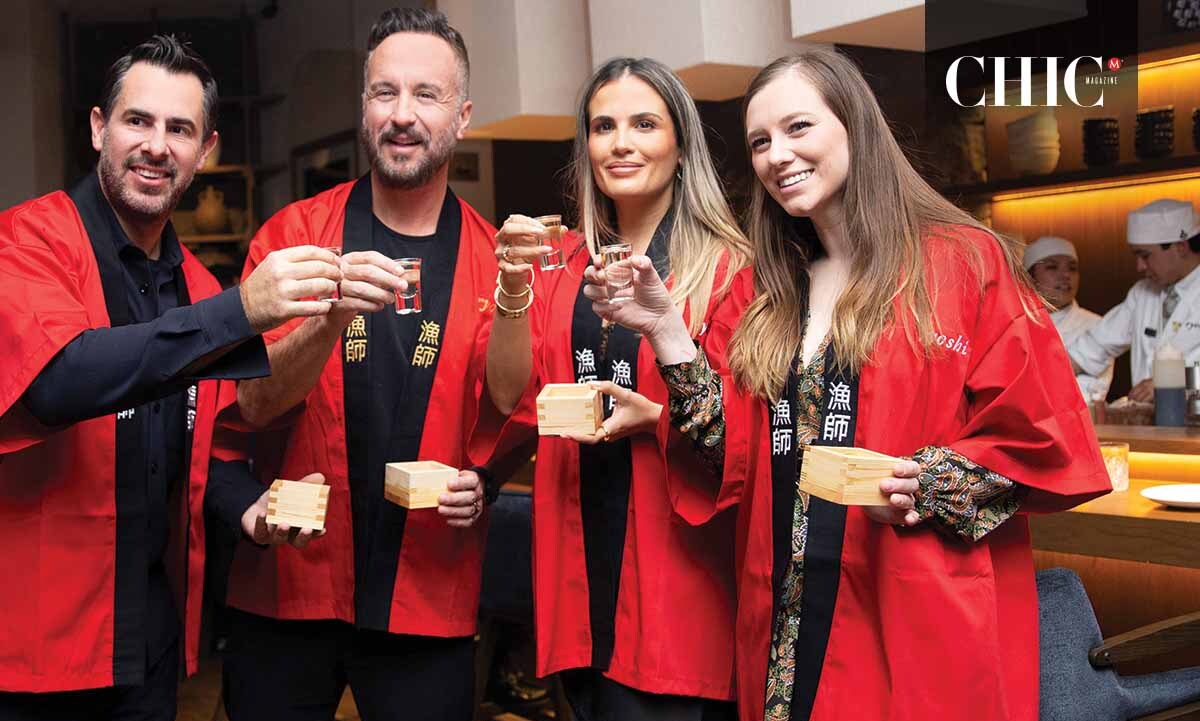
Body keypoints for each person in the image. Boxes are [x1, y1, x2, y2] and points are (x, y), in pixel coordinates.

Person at [585, 47, 1111, 721]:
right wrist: (664, 330)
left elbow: (1043, 438)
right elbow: (726, 451)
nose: (778, 154)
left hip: (913, 607)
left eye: (799, 128)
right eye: (760, 141)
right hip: (786, 616)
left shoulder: (958, 262)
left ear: (853, 127)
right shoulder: (762, 288)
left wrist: (929, 482)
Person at [0, 35, 335, 720]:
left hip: (149, 646)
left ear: (205, 152)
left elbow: (207, 449)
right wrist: (238, 311)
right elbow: (59, 380)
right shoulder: (28, 241)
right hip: (31, 648)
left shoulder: (199, 286)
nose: (156, 145)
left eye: (179, 129)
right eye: (137, 121)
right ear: (99, 129)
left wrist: (256, 512)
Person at [222, 9, 505, 720]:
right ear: (362, 109)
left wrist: (487, 481)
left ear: (463, 115)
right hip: (290, 588)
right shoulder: (293, 238)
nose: (402, 115)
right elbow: (252, 404)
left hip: (427, 596)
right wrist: (332, 316)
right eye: (384, 93)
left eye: (426, 95)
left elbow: (513, 412)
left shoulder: (495, 262)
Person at [481, 57, 750, 720]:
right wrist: (515, 283)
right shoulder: (565, 261)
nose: (621, 141)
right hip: (578, 568)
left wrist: (651, 415)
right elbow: (509, 392)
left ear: (681, 146)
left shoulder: (728, 269)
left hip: (678, 583)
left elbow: (748, 435)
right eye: (604, 126)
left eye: (644, 123)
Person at [1067, 198, 1200, 403]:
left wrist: (1170, 384)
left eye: (1145, 256)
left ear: (1180, 247)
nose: (1140, 266)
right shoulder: (1142, 293)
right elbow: (1095, 345)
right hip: (1150, 427)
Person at [1023, 235, 1113, 402]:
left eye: (1072, 268)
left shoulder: (1096, 326)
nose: (1065, 275)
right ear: (1029, 278)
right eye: (1052, 267)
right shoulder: (1014, 325)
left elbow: (1089, 394)